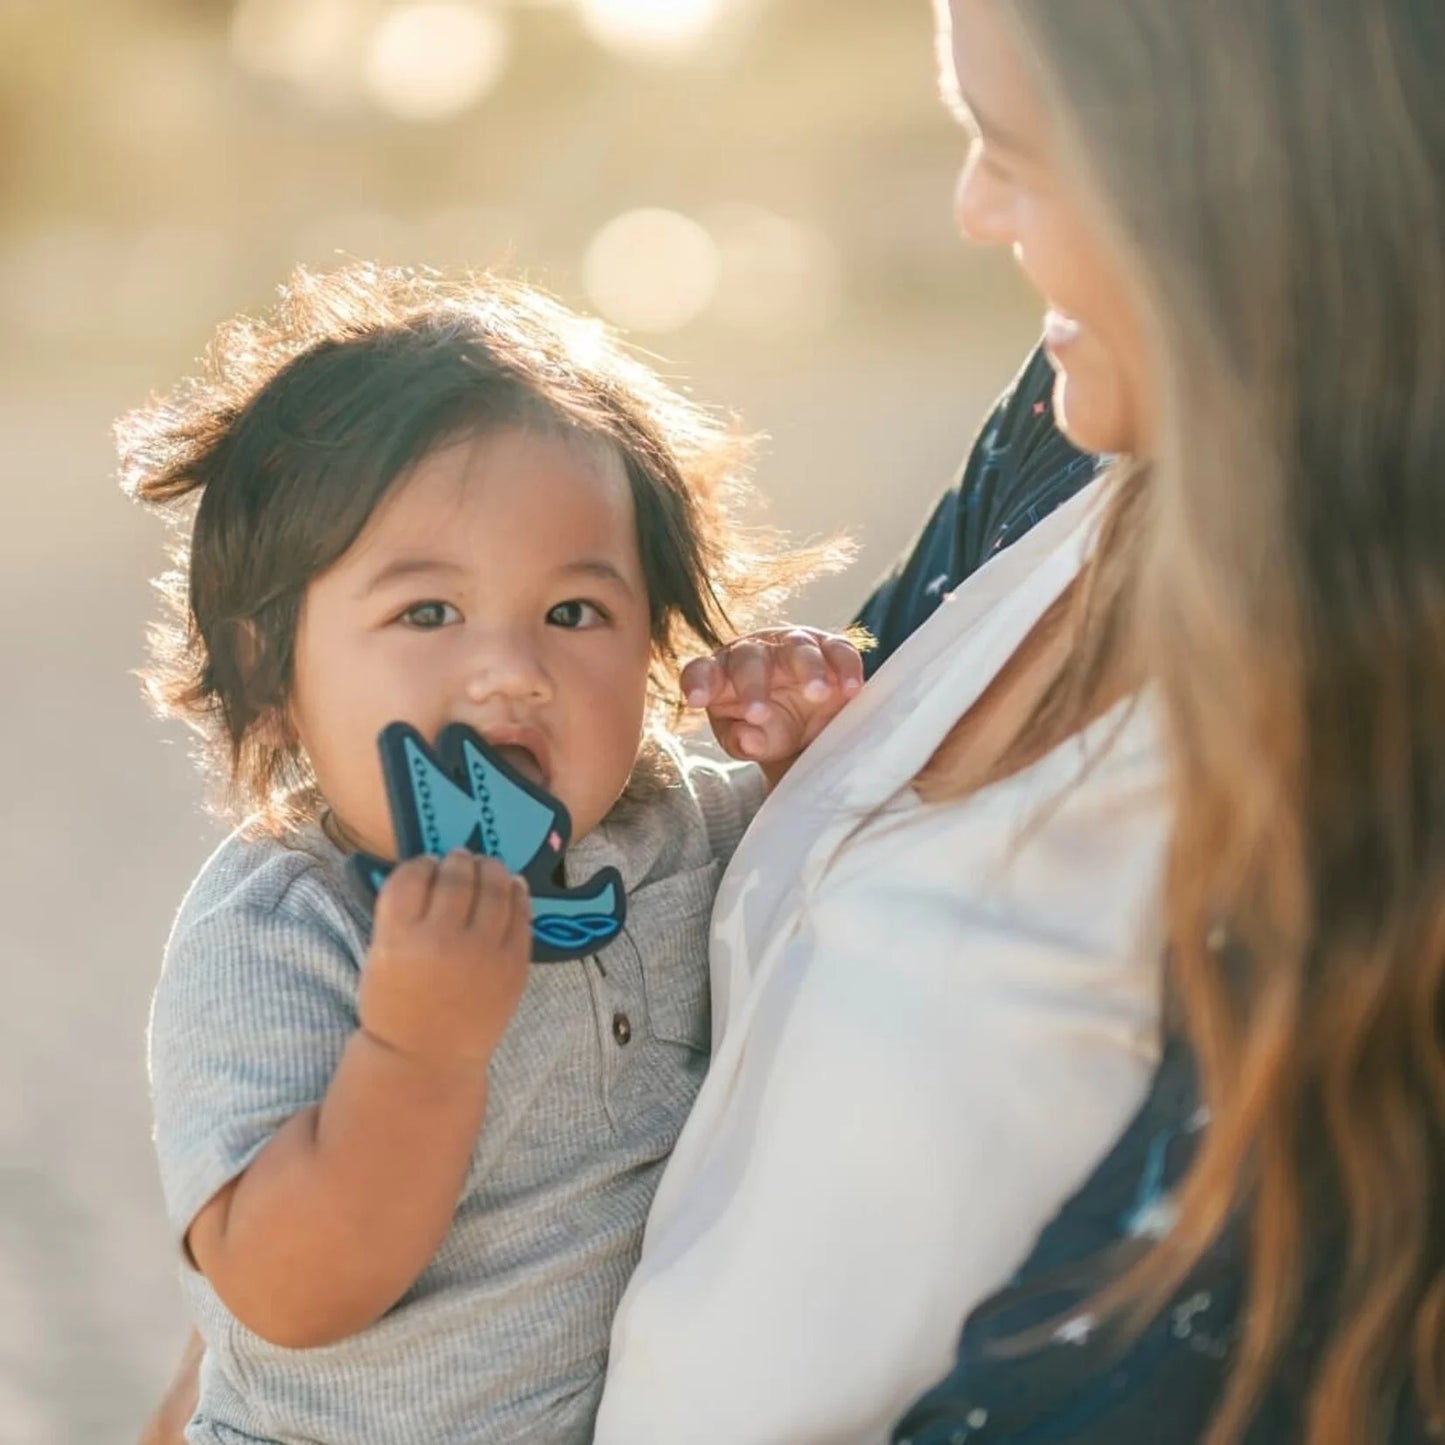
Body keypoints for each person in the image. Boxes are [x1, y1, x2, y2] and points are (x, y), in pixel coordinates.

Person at [596, 1, 1444, 1442]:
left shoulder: (1386, 737)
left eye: (1018, 153)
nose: (973, 209)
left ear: (1233, 175)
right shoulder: (1063, 441)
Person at [122, 263, 864, 1445]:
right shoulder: (282, 930)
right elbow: (281, 1295)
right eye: (427, 613)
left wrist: (805, 746)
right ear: (269, 674)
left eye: (575, 613)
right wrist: (418, 1046)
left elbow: (839, 877)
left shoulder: (675, 826)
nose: (515, 669)